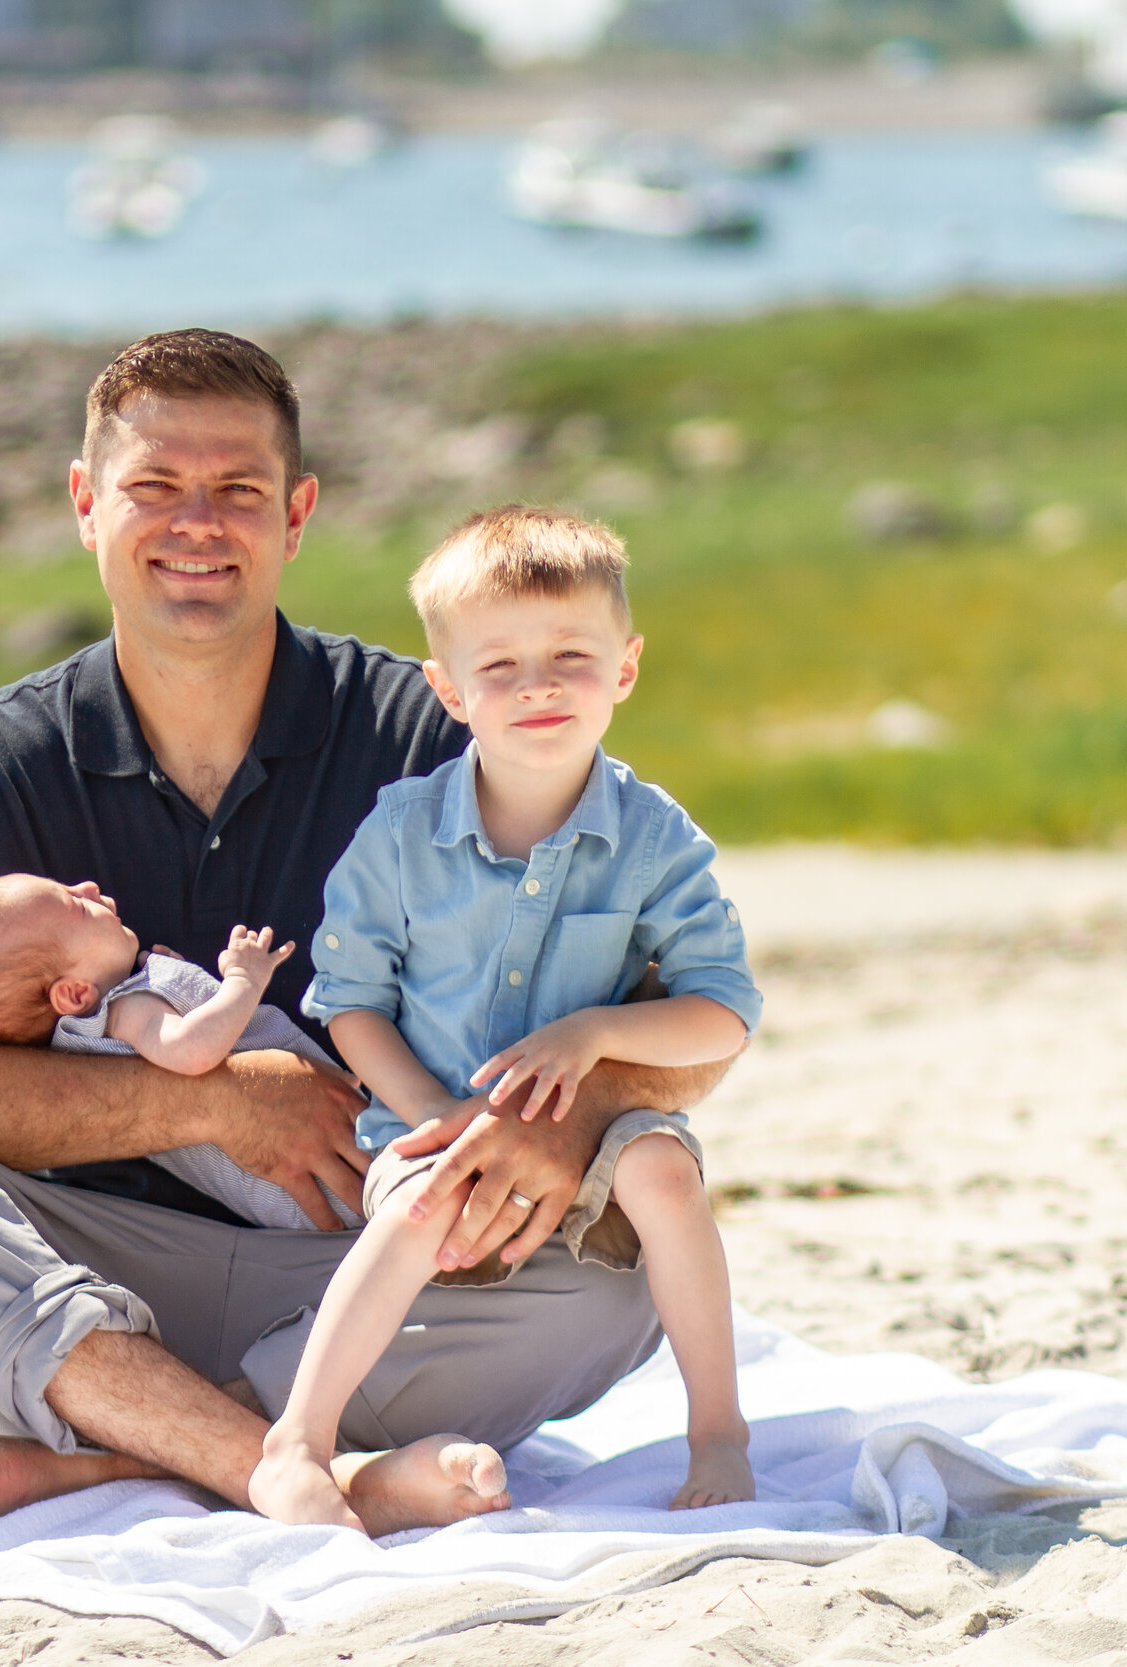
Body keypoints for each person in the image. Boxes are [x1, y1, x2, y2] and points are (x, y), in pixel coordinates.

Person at [0, 328, 738, 1541]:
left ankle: (88, 1467)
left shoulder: (431, 729)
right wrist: (209, 1101)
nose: (197, 524)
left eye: (238, 490)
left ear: (297, 514)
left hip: (368, 1270)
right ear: (84, 503)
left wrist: (573, 1119)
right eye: (153, 488)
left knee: (616, 1282)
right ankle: (273, 1463)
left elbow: (690, 1027)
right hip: (64, 1275)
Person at [249, 507, 761, 1528]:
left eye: (572, 655)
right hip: (426, 1117)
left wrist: (597, 1033)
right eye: (500, 666)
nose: (538, 686)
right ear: (448, 690)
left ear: (624, 667)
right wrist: (431, 1108)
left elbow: (722, 1011)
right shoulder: (400, 833)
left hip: (600, 1133)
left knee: (665, 1168)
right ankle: (297, 1438)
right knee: (423, 1198)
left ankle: (720, 1428)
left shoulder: (656, 837)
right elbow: (350, 1001)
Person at [0, 872, 356, 1229]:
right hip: (319, 1177)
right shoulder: (126, 1010)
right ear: (73, 995)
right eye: (74, 904)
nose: (87, 886)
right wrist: (244, 980)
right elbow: (194, 1053)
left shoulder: (119, 1012)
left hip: (309, 1172)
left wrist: (180, 982)